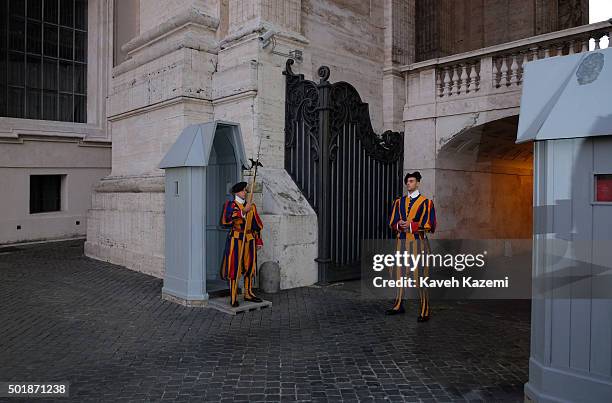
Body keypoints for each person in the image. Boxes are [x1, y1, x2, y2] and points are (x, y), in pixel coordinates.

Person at [387, 171, 436, 321]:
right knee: (399, 274)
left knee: (420, 276)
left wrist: (411, 225)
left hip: (418, 244)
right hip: (401, 243)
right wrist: (399, 224)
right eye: (407, 181)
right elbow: (392, 222)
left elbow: (431, 225)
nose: (409, 184)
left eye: (412, 181)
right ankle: (398, 304)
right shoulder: (398, 202)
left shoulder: (427, 203)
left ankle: (425, 309)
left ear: (418, 183)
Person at [219, 181, 264, 307]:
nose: (245, 192)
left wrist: (259, 240)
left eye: (245, 190)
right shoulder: (230, 205)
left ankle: (248, 293)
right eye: (243, 190)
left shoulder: (252, 206)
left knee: (250, 267)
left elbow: (256, 225)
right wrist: (243, 212)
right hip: (236, 240)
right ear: (237, 192)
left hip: (249, 240)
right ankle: (233, 297)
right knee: (235, 267)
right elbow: (226, 220)